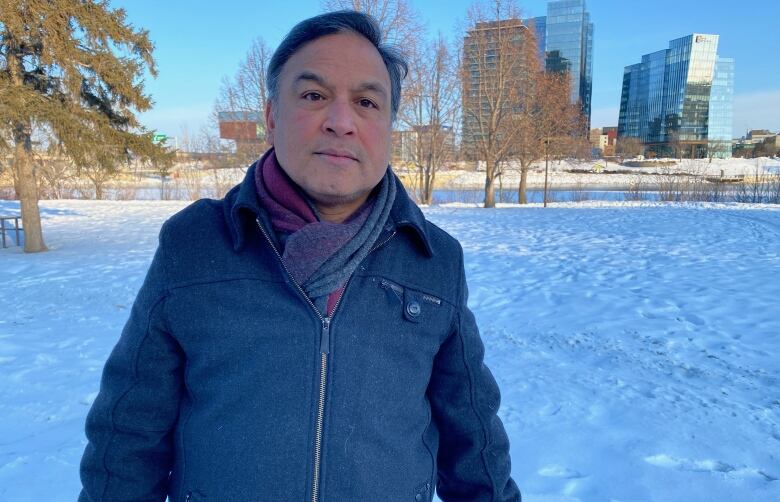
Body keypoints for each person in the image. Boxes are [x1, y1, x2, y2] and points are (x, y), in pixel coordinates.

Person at [79, 10, 520, 502]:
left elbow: (475, 441)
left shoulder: (435, 260)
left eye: (367, 102)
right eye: (313, 96)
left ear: (388, 126)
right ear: (271, 117)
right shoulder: (194, 245)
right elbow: (127, 438)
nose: (340, 122)